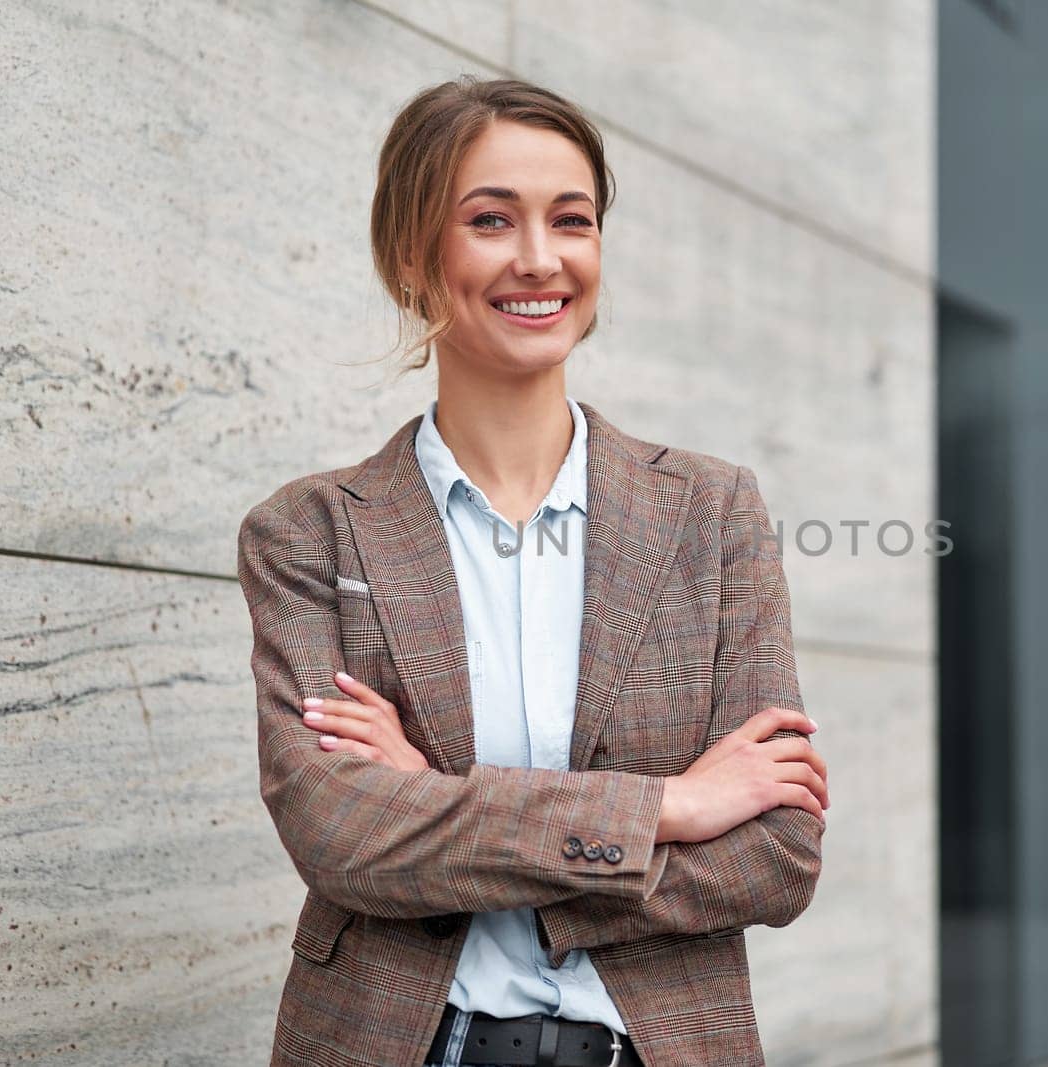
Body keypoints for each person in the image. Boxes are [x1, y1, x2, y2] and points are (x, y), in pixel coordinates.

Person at [235, 76, 828, 1067]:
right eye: (490, 220)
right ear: (412, 255)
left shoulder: (711, 513)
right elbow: (340, 833)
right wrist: (665, 809)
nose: (539, 258)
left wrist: (436, 801)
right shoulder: (309, 533)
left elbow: (775, 856)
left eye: (572, 220)